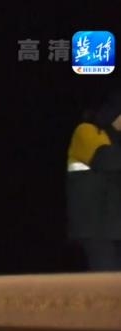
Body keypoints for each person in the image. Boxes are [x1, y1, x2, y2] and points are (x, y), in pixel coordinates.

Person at [66, 91, 121, 271]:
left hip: (114, 225)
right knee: (107, 278)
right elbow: (105, 159)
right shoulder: (86, 131)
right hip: (95, 226)